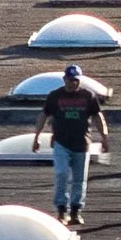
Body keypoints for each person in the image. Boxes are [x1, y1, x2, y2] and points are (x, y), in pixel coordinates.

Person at [32, 64, 108, 226]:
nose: (72, 83)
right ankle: (61, 209)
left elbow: (97, 117)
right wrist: (36, 136)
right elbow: (43, 115)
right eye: (70, 80)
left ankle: (76, 210)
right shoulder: (55, 96)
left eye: (75, 80)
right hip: (61, 142)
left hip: (82, 143)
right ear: (64, 79)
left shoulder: (88, 96)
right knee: (61, 174)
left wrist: (104, 137)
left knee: (79, 179)